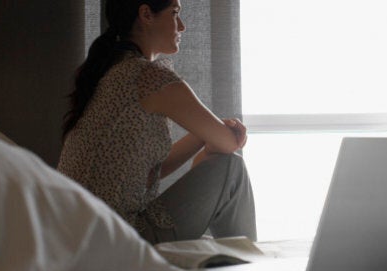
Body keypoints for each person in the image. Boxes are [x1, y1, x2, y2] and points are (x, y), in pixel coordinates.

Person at [57, 0, 256, 244]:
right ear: (146, 14)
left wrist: (204, 137)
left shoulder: (111, 75)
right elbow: (228, 143)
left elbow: (150, 173)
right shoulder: (150, 77)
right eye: (175, 13)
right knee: (231, 167)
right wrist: (219, 136)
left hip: (88, 239)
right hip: (121, 239)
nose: (182, 26)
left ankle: (242, 265)